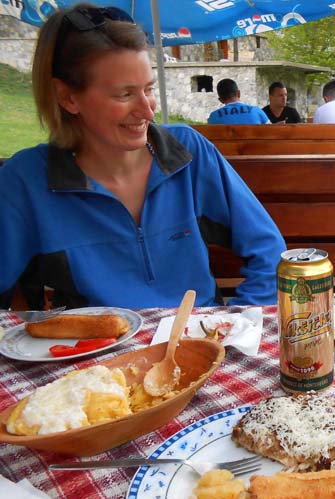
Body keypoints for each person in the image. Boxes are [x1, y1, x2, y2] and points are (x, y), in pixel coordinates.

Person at [0, 4, 286, 310]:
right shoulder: (25, 181)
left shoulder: (186, 151)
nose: (148, 110)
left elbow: (268, 251)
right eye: (124, 94)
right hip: (91, 352)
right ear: (67, 97)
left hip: (197, 342)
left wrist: (235, 321)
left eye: (148, 89)